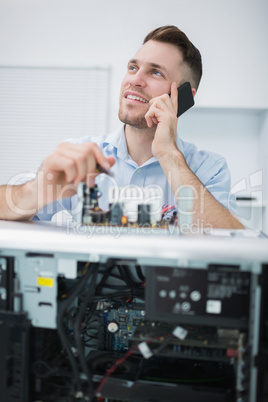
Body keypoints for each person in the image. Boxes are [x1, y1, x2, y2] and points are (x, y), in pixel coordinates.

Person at [0, 25, 243, 229]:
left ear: (183, 97)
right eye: (133, 67)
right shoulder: (81, 155)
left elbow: (235, 244)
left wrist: (169, 155)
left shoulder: (208, 169)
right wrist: (38, 190)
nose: (134, 80)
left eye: (155, 72)